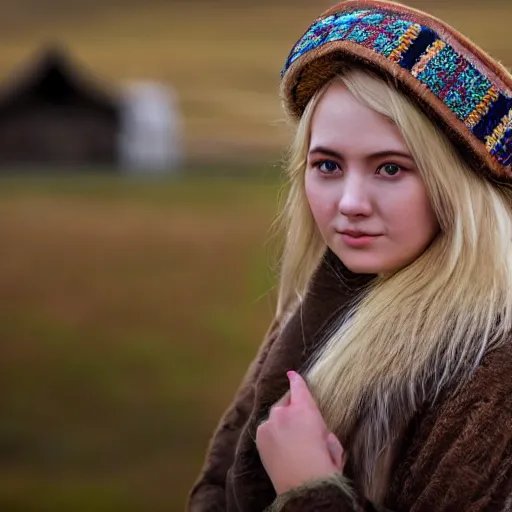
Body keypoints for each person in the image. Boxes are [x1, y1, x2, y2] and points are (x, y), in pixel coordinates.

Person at [188, 0, 512, 510]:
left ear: (455, 186)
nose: (350, 204)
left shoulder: (493, 362)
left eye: (390, 168)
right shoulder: (314, 311)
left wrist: (309, 491)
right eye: (328, 165)